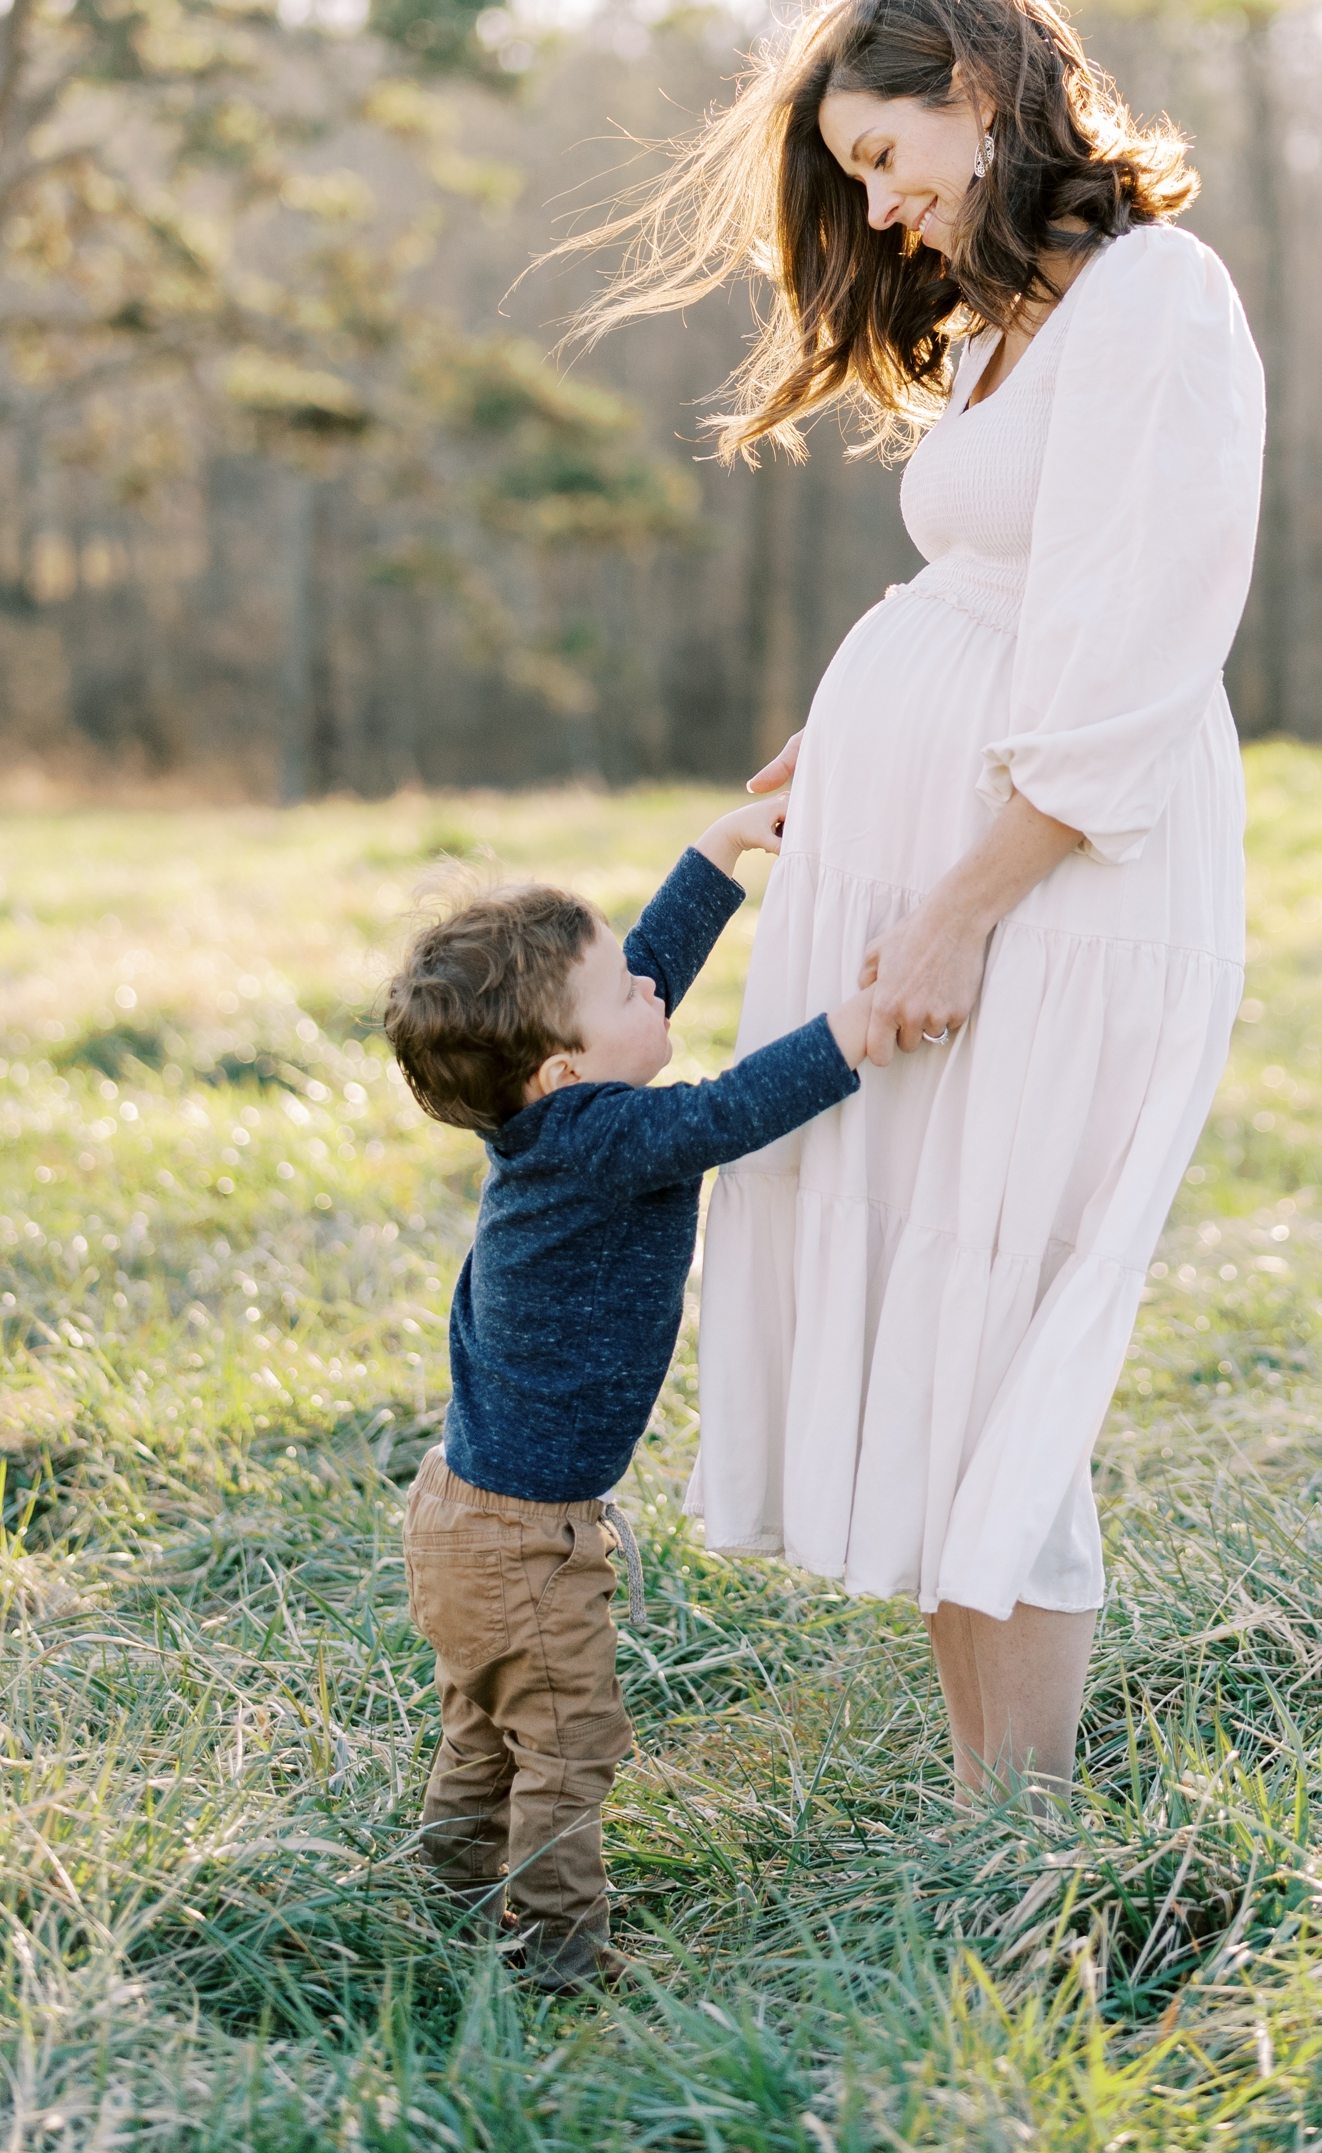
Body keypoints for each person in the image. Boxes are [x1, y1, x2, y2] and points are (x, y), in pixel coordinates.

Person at [565, 0, 1265, 1806]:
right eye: (855, 174)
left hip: (1053, 881)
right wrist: (847, 742)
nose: (877, 205)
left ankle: (1024, 1828)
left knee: (1011, 1332)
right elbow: (984, 586)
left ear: (978, 81)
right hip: (920, 847)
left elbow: (1131, 650)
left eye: (887, 153)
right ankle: (983, 1803)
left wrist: (958, 897)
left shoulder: (1152, 305)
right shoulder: (998, 323)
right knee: (941, 1326)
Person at [381, 797, 883, 1986]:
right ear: (564, 1069)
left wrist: (720, 853)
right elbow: (726, 1113)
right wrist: (853, 1028)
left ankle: (441, 1891)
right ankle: (558, 1956)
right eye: (623, 997)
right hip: (520, 1540)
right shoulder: (605, 1140)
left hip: (466, 1517)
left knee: (486, 1733)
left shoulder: (557, 1118)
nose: (649, 994)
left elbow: (642, 976)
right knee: (566, 1744)